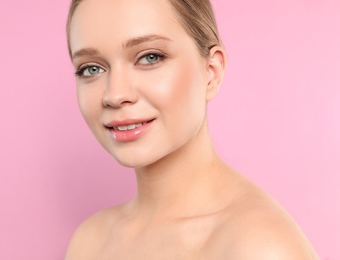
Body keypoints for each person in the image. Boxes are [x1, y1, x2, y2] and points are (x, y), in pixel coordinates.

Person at [65, 0, 318, 258]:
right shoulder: (89, 241)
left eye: (150, 57)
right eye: (91, 68)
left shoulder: (261, 248)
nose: (115, 95)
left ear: (211, 71)